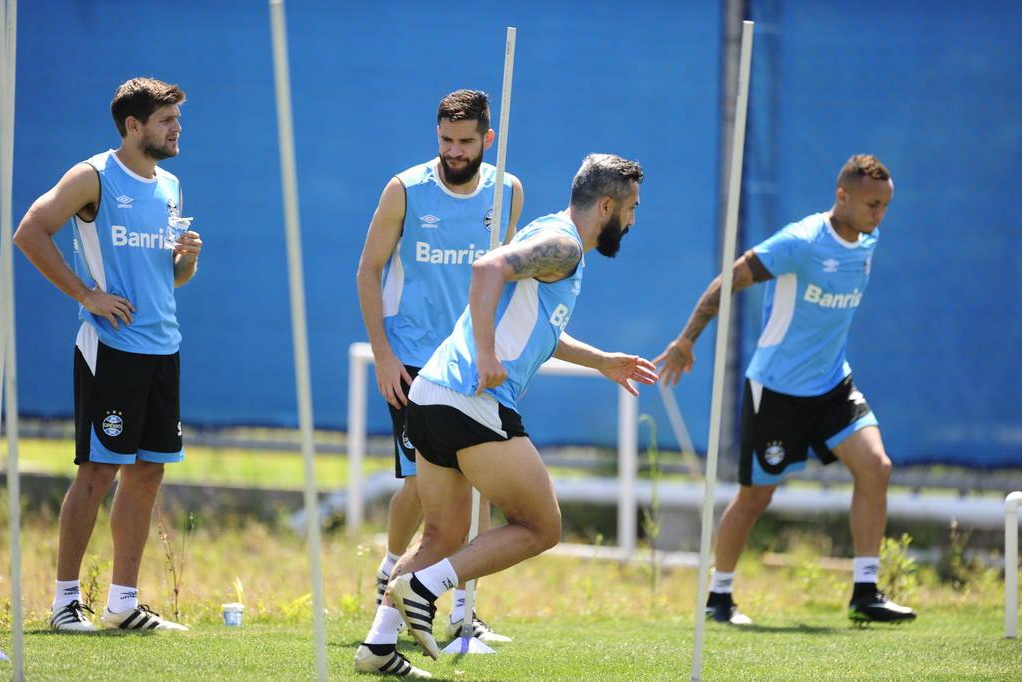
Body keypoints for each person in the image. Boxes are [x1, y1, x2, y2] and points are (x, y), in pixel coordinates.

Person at [354, 153, 657, 677]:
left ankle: (379, 646)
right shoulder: (562, 244)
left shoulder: (551, 234)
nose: (632, 221)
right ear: (606, 205)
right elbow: (487, 268)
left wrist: (602, 361)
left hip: (432, 395)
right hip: (471, 400)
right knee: (541, 526)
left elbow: (538, 327)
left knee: (440, 538)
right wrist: (488, 353)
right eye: (631, 209)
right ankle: (425, 589)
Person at [655, 154, 915, 625]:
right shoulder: (800, 242)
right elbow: (728, 278)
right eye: (872, 204)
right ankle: (719, 598)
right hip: (777, 390)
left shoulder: (868, 239)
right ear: (842, 196)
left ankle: (866, 591)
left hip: (834, 384)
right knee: (756, 497)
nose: (879, 215)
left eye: (885, 206)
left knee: (876, 467)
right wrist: (686, 340)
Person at [14, 77, 201, 632]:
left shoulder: (170, 185)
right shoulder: (93, 176)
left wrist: (186, 259)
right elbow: (30, 232)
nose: (176, 128)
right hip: (112, 347)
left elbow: (173, 279)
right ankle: (64, 603)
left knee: (147, 475)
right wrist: (86, 295)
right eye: (166, 120)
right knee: (97, 473)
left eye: (177, 119)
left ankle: (123, 603)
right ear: (133, 126)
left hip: (163, 347)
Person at [355, 89, 523, 644]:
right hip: (412, 361)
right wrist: (383, 354)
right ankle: (392, 571)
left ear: (486, 140)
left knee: (472, 487)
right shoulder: (405, 190)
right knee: (425, 490)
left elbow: (505, 274)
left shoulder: (507, 192)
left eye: (465, 141)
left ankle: (459, 615)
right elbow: (369, 271)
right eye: (446, 140)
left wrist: (495, 350)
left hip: (469, 362)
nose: (454, 150)